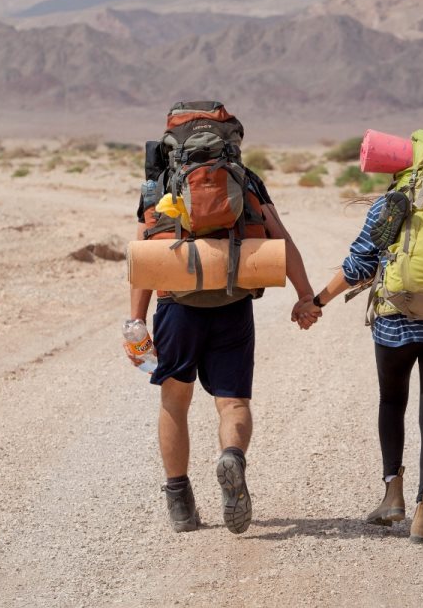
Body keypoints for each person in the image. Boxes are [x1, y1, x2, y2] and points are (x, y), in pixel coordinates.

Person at [128, 108, 320, 534]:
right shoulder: (244, 179)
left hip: (176, 305)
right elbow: (280, 236)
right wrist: (305, 295)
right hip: (233, 301)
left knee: (174, 402)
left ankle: (180, 502)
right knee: (233, 402)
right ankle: (231, 456)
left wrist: (136, 321)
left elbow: (145, 251)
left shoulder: (159, 182)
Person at [295, 194, 423, 545]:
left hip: (395, 326)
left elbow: (358, 266)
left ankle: (393, 496)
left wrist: (316, 302)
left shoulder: (391, 205)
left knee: (392, 403)